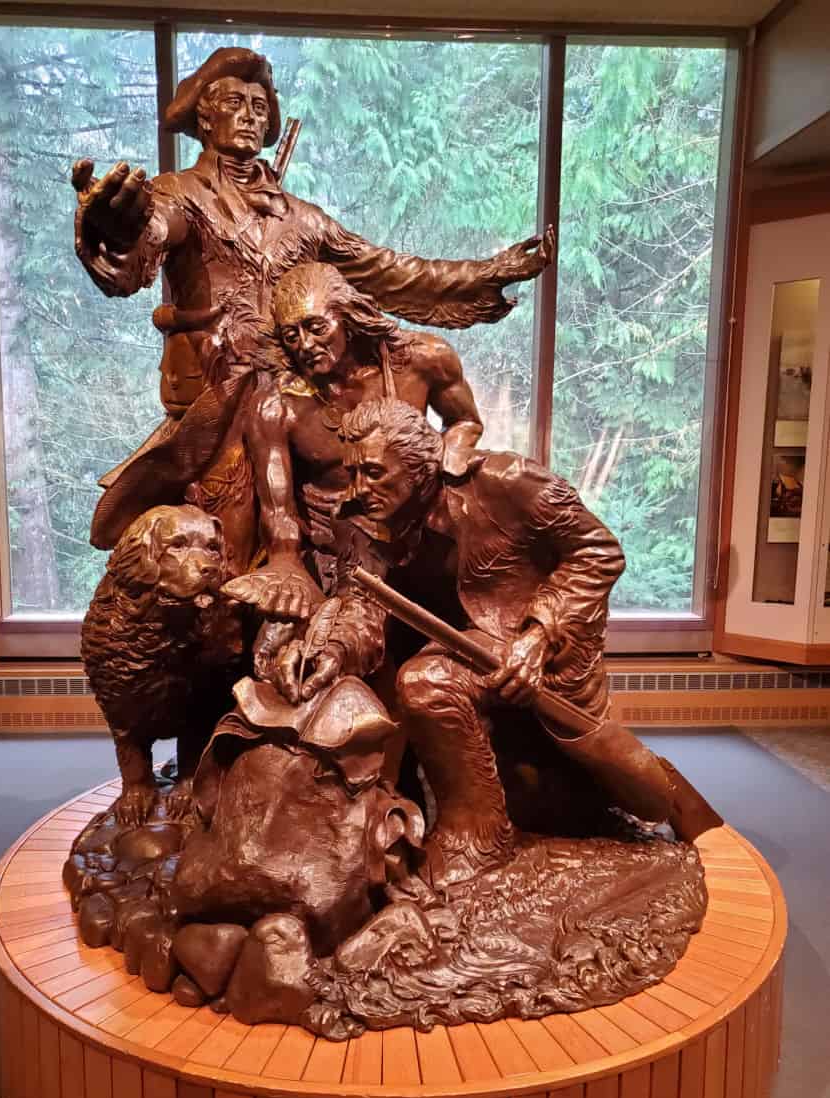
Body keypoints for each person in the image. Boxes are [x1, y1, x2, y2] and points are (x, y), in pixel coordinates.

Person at [70, 46, 554, 555]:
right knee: (226, 547)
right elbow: (148, 230)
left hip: (298, 404)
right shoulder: (178, 194)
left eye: (259, 107)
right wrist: (117, 230)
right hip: (220, 408)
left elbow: (389, 271)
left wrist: (488, 272)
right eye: (234, 102)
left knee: (331, 539)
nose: (249, 116)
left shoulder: (301, 217)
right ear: (205, 117)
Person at [272, 398, 718, 887]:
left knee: (608, 790)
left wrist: (539, 634)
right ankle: (475, 839)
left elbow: (597, 551)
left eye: (376, 473)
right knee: (425, 683)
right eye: (354, 473)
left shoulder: (506, 482)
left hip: (545, 656)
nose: (361, 489)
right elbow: (362, 605)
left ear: (420, 465)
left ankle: (668, 794)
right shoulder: (357, 519)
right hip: (455, 658)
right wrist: (331, 651)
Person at [248, 261, 484, 612]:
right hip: (338, 556)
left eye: (316, 327)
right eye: (292, 336)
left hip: (425, 535)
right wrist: (286, 564)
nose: (306, 344)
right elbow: (278, 513)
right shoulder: (276, 408)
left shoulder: (424, 360)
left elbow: (465, 422)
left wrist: (440, 470)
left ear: (346, 315)